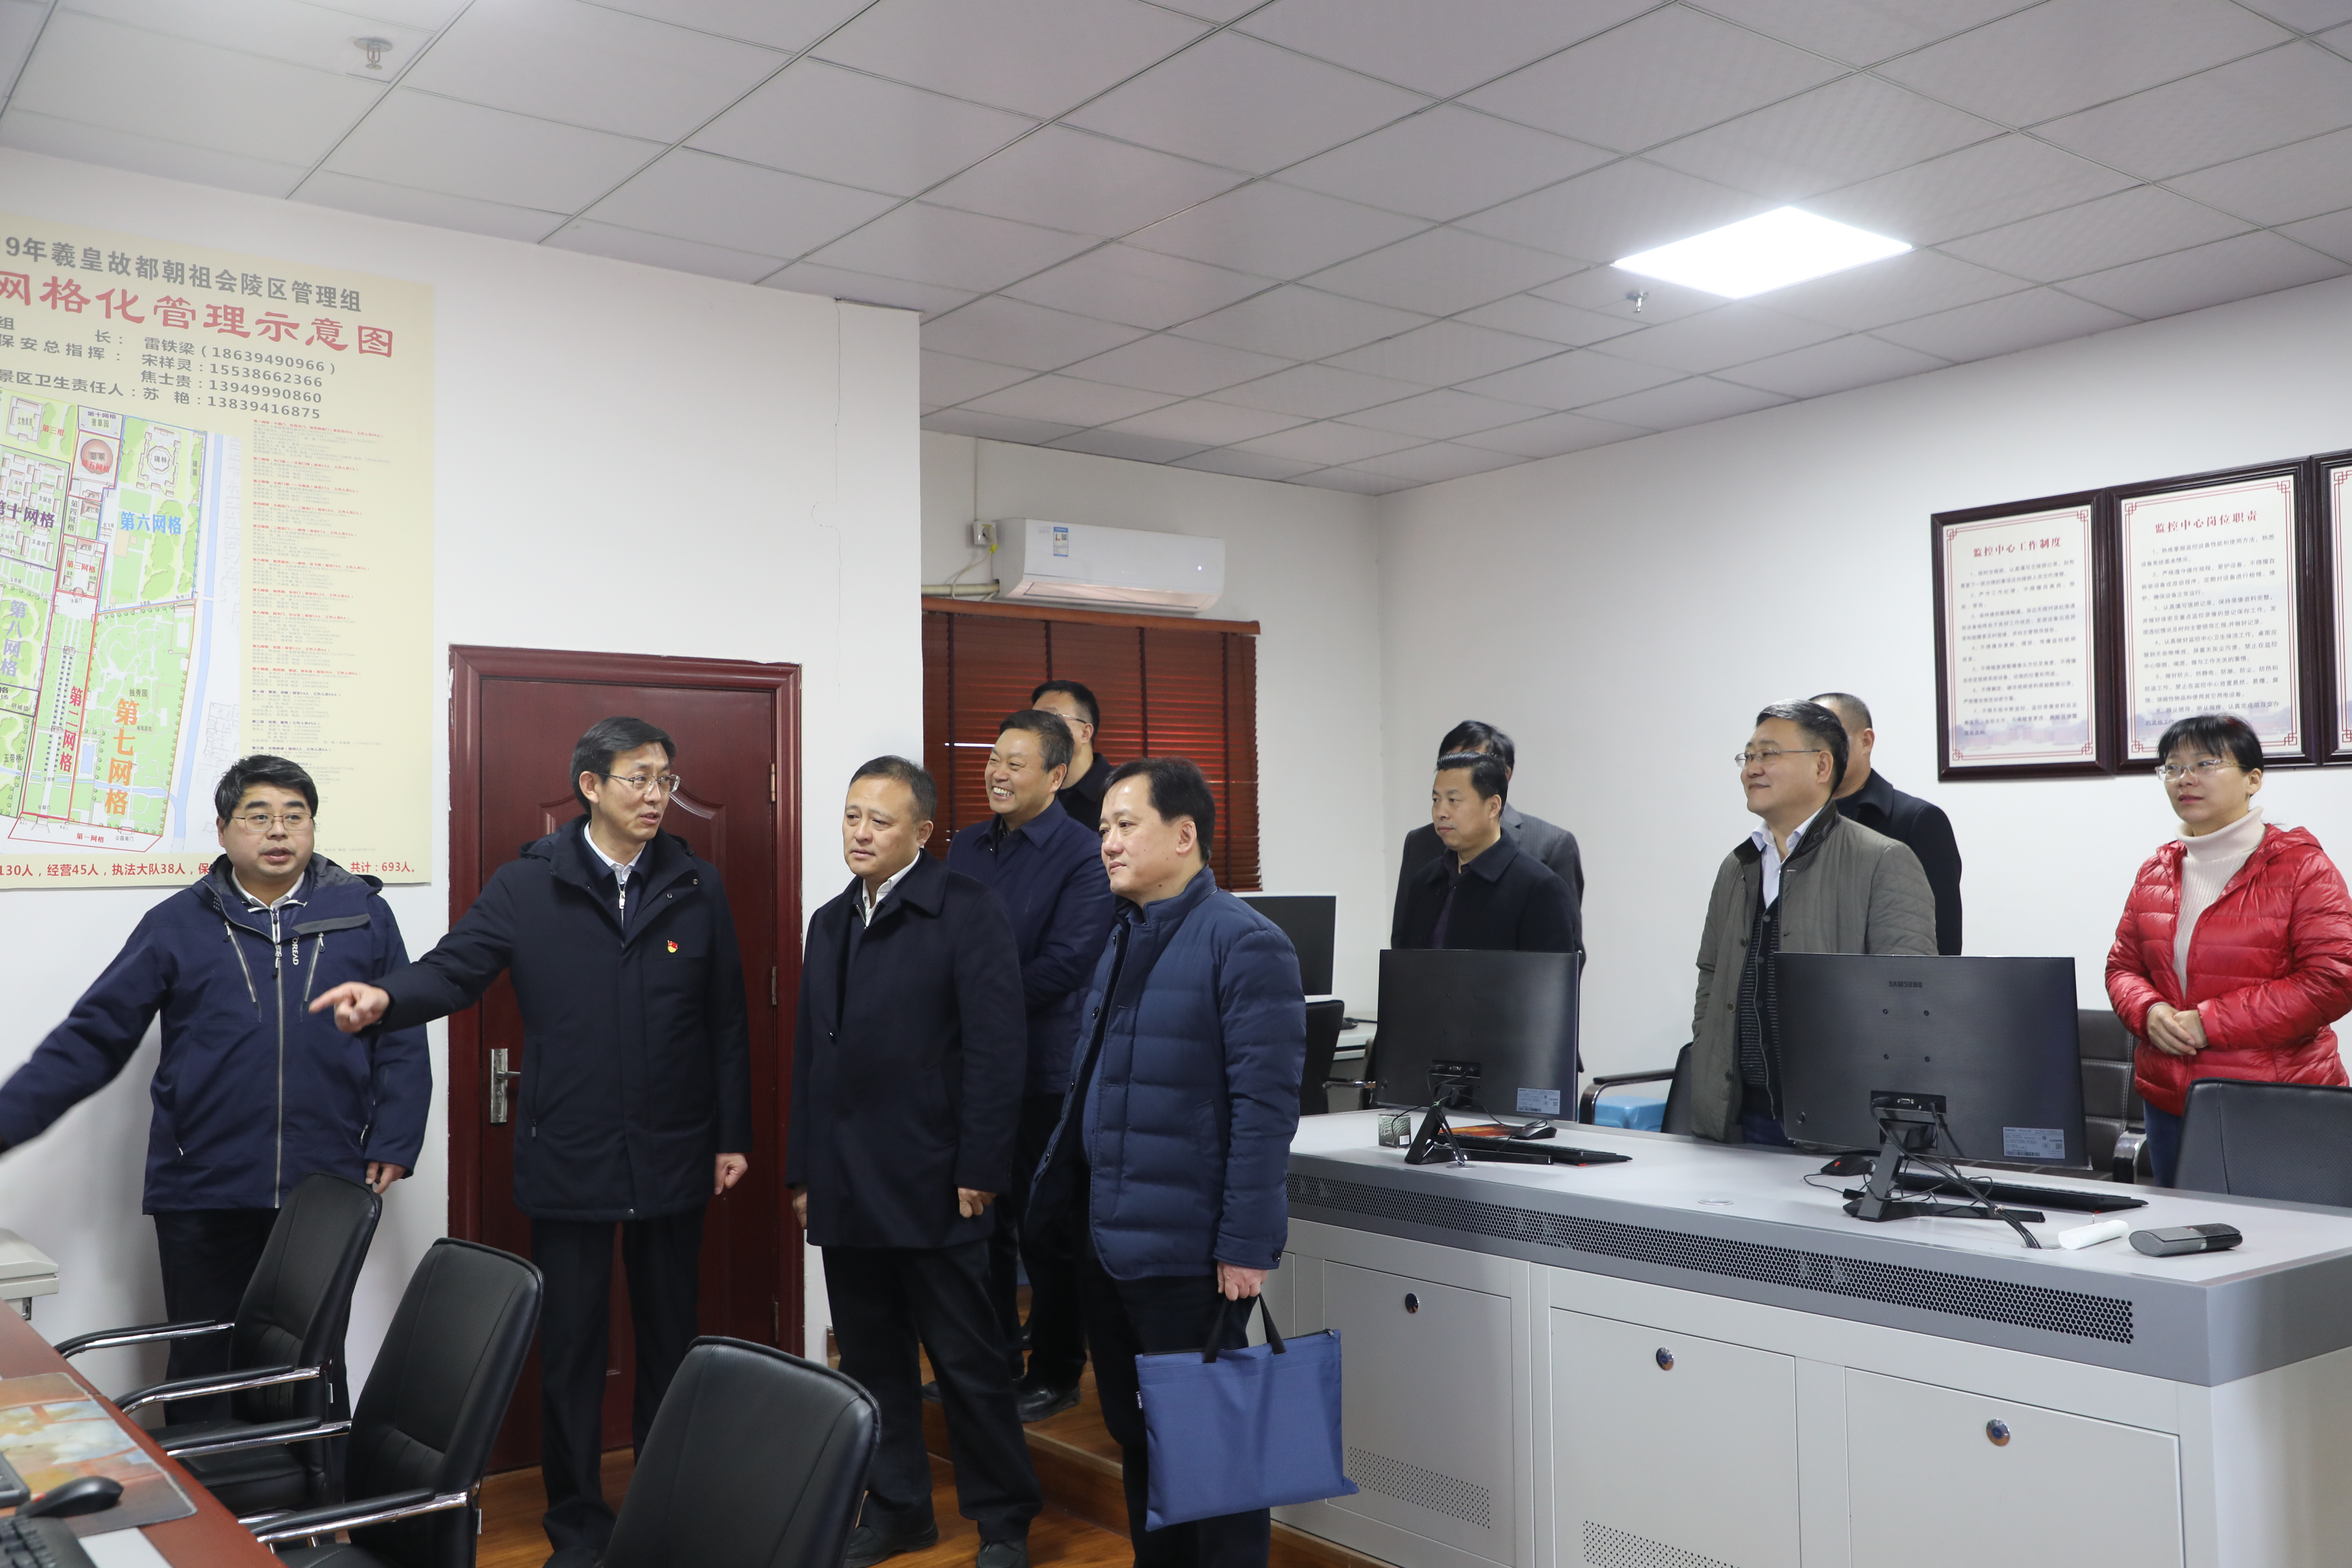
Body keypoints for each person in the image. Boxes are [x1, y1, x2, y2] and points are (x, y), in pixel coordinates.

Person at [310, 718, 751, 1568]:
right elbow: (454, 968)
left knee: (672, 1341)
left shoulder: (697, 883)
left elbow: (726, 1018)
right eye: (638, 777)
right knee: (573, 1353)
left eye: (666, 779)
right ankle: (577, 1528)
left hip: (675, 1149)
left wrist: (732, 1133)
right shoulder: (529, 883)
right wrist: (387, 999)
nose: (657, 794)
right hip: (571, 1153)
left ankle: (663, 1516)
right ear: (590, 785)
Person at [0, 755, 427, 1432]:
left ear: (313, 828)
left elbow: (400, 1030)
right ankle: (207, 1497)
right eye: (259, 816)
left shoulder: (363, 917)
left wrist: (397, 1139)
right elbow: (95, 1036)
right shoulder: (177, 923)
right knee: (203, 1364)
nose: (278, 831)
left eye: (294, 816)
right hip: (202, 1183)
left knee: (311, 1363)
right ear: (224, 831)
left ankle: (317, 1495)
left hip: (325, 1183)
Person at [1030, 757, 1306, 1568]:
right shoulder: (1126, 933)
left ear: (1185, 836)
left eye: (1126, 825)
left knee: (1213, 1458)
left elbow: (1265, 1111)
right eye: (1104, 828)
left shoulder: (1245, 942)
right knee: (1142, 1441)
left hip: (1189, 1254)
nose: (1107, 843)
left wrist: (1246, 1244)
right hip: (1111, 1242)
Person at [790, 757, 1041, 1568]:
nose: (861, 833)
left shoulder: (967, 909)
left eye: (881, 820)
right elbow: (811, 1056)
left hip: (937, 1177)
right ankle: (899, 1509)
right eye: (852, 816)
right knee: (870, 1360)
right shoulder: (831, 919)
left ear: (923, 832)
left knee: (969, 1362)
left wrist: (983, 1166)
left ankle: (1003, 1521)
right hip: (846, 1180)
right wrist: (804, 1170)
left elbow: (999, 1049)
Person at [946, 710, 1114, 1424]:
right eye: (994, 758)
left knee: (1047, 1228)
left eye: (1016, 763)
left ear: (1056, 775)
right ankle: (989, 1366)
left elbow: (1067, 964)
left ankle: (1057, 1369)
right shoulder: (965, 844)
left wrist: (973, 1003)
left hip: (1045, 1069)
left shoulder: (1083, 853)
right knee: (976, 1221)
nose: (998, 773)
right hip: (969, 1067)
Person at [2105, 713, 2352, 1187]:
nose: (2185, 779)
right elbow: (2123, 968)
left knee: (2277, 1232)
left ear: (2253, 779)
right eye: (2173, 767)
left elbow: (2333, 980)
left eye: (2205, 763)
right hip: (2170, 1099)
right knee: (2181, 1229)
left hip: (2271, 1100)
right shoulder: (2157, 871)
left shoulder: (2303, 868)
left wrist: (2210, 1023)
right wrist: (2149, 1011)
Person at [1690, 702, 1936, 1145]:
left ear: (1822, 766)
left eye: (1769, 754)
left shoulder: (1882, 860)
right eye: (1748, 756)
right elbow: (1711, 975)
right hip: (1739, 1119)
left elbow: (1909, 1000)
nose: (1752, 769)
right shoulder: (1738, 866)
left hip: (1841, 1124)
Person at [1392, 721, 1582, 947]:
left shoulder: (1541, 886)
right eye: (1436, 800)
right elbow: (1405, 953)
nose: (1441, 812)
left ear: (1493, 806)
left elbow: (1555, 965)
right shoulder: (1427, 880)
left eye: (1453, 800)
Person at [1812, 692, 1965, 955]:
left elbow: (1943, 939)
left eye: (1828, 740)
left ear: (1866, 741)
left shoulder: (1918, 820)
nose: (1819, 755)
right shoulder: (1797, 821)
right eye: (1808, 744)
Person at [1031, 679, 1113, 834]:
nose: (1036, 729)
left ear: (1085, 733)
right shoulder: (1032, 790)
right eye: (1033, 719)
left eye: (1050, 718)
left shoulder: (1117, 793)